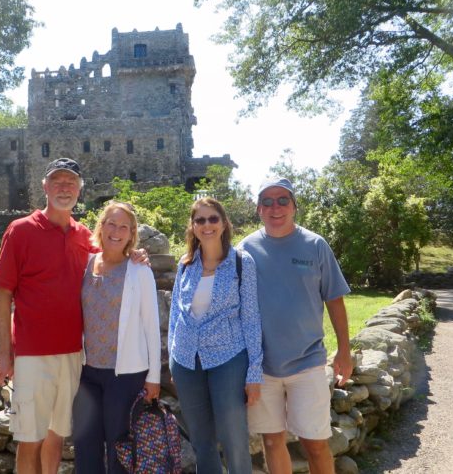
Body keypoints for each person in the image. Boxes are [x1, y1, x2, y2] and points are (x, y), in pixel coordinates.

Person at [0, 158, 146, 474]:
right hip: (32, 355)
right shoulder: (20, 231)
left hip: (74, 355)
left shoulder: (85, 237)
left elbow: (110, 260)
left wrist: (135, 254)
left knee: (56, 437)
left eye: (71, 182)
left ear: (80, 190)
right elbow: (2, 293)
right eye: (57, 182)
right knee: (29, 440)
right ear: (45, 187)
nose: (64, 188)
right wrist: (4, 354)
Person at [238, 177, 352, 474]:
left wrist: (344, 351)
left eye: (282, 200)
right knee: (273, 442)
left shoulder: (315, 245)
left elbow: (335, 300)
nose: (275, 207)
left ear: (294, 207)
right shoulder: (244, 250)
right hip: (261, 367)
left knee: (315, 443)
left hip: (308, 362)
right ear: (258, 209)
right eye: (267, 201)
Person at [168, 197, 263, 474]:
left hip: (228, 358)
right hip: (186, 362)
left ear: (223, 224)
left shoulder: (241, 263)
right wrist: (175, 356)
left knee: (233, 437)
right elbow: (176, 311)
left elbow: (251, 318)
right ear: (193, 226)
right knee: (201, 440)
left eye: (213, 219)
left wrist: (254, 372)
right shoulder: (185, 265)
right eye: (200, 220)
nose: (206, 225)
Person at [72, 201, 161, 474]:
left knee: (119, 450)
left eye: (124, 226)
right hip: (87, 374)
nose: (117, 231)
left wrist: (154, 377)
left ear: (131, 233)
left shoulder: (140, 271)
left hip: (126, 376)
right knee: (86, 448)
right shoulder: (85, 264)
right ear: (101, 226)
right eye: (111, 223)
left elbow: (151, 326)